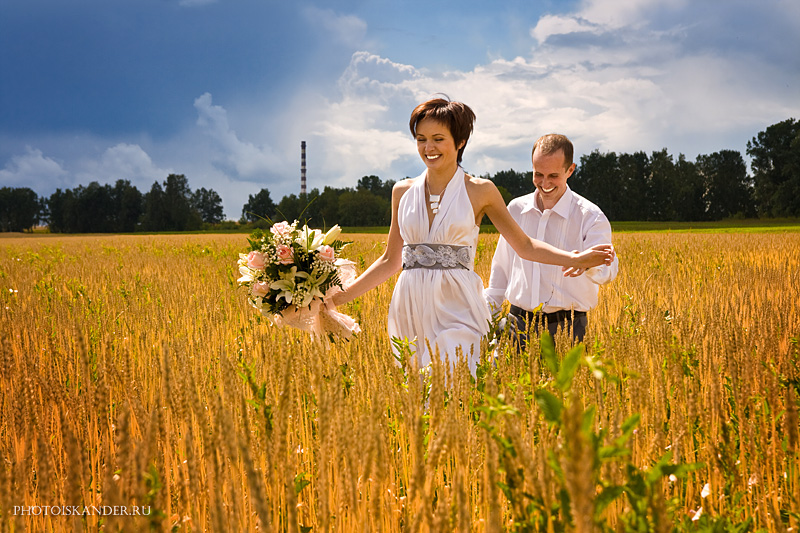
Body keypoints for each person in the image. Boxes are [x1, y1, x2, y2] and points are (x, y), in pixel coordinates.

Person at [329, 98, 614, 374]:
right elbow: (390, 261)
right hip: (410, 305)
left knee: (454, 377)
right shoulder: (401, 191)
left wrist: (576, 259)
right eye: (421, 138)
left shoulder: (482, 191)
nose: (429, 147)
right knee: (418, 392)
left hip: (458, 304)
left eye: (438, 138)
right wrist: (337, 299)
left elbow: (524, 245)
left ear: (460, 141)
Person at [484, 133, 619, 348]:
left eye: (553, 176)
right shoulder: (516, 209)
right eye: (538, 174)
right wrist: (488, 318)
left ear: (570, 170)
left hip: (568, 328)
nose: (544, 183)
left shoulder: (590, 216)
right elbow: (501, 268)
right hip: (516, 324)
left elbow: (608, 272)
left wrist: (585, 264)